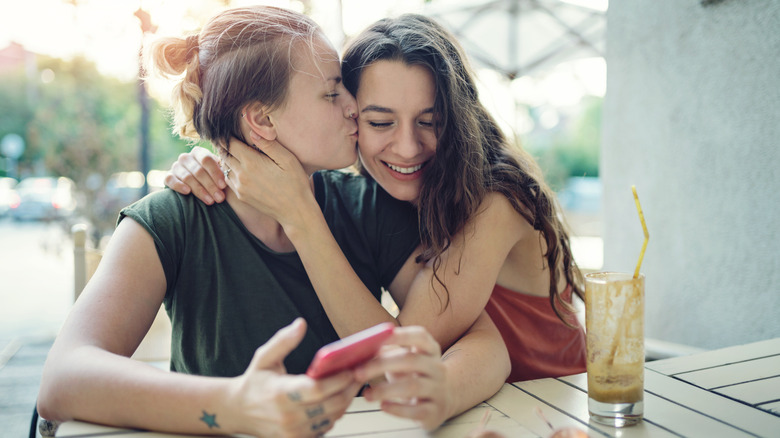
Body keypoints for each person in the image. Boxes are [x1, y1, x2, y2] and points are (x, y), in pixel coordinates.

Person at [37, 6, 509, 437]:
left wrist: (441, 389)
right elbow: (61, 379)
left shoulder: (367, 206)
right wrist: (237, 404)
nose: (353, 106)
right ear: (261, 120)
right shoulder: (172, 220)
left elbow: (485, 346)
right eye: (330, 92)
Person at [167, 13, 587, 384]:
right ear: (349, 115)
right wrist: (211, 162)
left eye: (430, 122)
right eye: (380, 121)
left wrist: (301, 216)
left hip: (550, 405)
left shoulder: (497, 202)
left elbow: (401, 350)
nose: (407, 147)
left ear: (459, 121)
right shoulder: (376, 196)